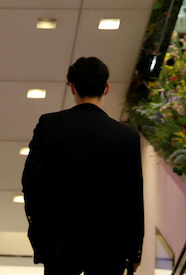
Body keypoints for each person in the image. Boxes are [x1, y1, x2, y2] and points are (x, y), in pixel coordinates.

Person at [21, 57, 143, 275]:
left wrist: (40, 235)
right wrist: (134, 251)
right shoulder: (126, 136)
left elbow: (32, 183)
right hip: (109, 247)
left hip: (60, 244)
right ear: (106, 88)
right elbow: (133, 196)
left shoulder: (49, 126)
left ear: (72, 87)